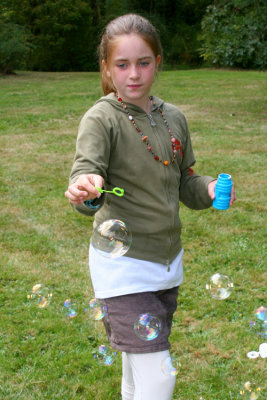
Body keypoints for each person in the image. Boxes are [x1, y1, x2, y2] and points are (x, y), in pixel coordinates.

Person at [65, 13, 236, 400]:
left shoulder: (173, 117)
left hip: (166, 262)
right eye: (122, 64)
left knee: (136, 364)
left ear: (158, 63)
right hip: (123, 264)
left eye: (143, 62)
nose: (134, 74)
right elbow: (86, 171)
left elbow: (185, 182)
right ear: (107, 68)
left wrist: (207, 188)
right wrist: (86, 188)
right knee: (159, 376)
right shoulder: (101, 118)